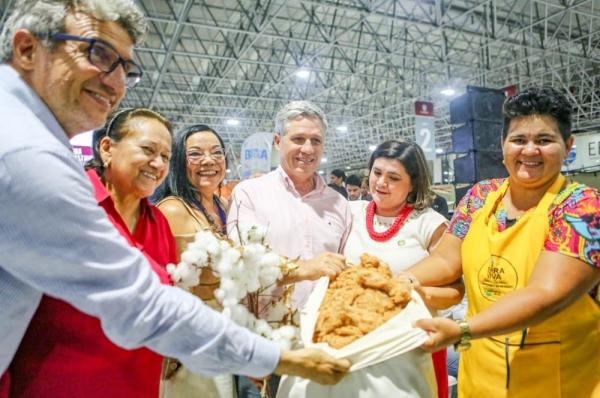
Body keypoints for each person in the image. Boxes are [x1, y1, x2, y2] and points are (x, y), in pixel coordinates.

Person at [0, 0, 350, 390]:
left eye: (126, 69)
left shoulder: (31, 141)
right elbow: (141, 301)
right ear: (28, 48)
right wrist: (279, 357)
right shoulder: (25, 154)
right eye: (98, 54)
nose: (115, 82)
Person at [410, 87, 600, 397]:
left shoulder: (583, 208)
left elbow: (545, 293)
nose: (529, 151)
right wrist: (398, 282)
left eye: (544, 140)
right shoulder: (480, 197)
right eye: (519, 140)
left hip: (557, 384)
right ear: (502, 145)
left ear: (567, 146)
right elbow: (446, 260)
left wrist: (462, 330)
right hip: (480, 380)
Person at [6, 108, 177, 397]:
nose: (158, 163)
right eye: (148, 149)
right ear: (107, 148)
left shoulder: (158, 223)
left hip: (136, 386)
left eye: (166, 157)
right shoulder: (63, 206)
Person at [279, 140, 463, 398]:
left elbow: (456, 290)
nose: (381, 183)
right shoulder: (349, 212)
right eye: (377, 173)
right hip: (345, 343)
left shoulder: (430, 224)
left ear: (413, 182)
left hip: (404, 345)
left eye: (393, 177)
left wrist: (412, 293)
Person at [228, 101, 352, 398]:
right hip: (266, 345)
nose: (307, 149)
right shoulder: (250, 194)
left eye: (316, 140)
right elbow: (241, 265)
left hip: (323, 343)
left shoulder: (339, 204)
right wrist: (306, 269)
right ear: (277, 141)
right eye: (298, 139)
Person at [155, 124, 235, 398]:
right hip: (189, 338)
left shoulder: (223, 207)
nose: (209, 161)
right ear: (179, 161)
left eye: (216, 153)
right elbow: (161, 282)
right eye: (196, 154)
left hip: (222, 331)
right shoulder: (172, 209)